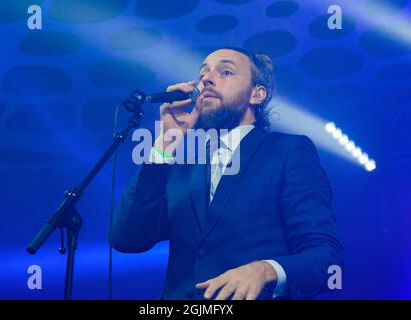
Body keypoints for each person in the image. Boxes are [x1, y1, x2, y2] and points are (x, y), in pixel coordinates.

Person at [109, 47, 343, 300]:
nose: (207, 79)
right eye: (203, 73)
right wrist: (165, 143)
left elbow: (327, 261)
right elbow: (127, 239)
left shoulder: (287, 151)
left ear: (257, 94)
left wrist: (266, 270)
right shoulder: (182, 166)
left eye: (226, 72)